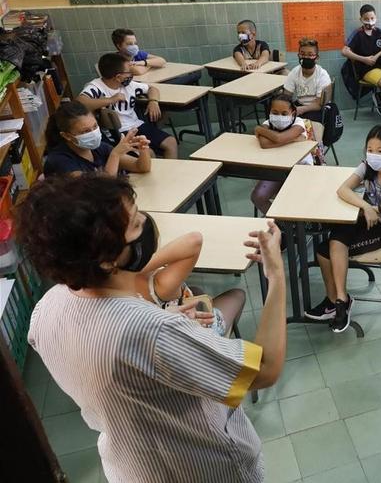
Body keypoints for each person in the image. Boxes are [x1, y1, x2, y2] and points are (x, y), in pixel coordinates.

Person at [18, 175, 288, 482]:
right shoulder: (153, 331)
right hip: (201, 469)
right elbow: (265, 369)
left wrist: (166, 323)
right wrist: (276, 275)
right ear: (107, 260)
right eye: (134, 223)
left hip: (131, 466)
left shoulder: (45, 311)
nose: (146, 222)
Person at [305, 126, 381, 333]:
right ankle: (337, 300)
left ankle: (340, 302)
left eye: (380, 151)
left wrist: (379, 208)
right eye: (370, 149)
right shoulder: (367, 166)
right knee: (324, 250)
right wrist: (366, 206)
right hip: (364, 220)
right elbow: (343, 189)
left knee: (332, 246)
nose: (373, 155)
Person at [134, 228, 246, 339]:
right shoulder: (159, 283)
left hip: (159, 333)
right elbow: (194, 240)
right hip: (193, 336)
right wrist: (136, 269)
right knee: (238, 295)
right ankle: (221, 342)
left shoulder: (119, 286)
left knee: (196, 290)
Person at [78, 53, 178, 159]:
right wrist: (111, 100)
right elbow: (80, 102)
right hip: (118, 132)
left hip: (136, 125)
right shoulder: (96, 86)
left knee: (171, 142)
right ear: (118, 77)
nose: (131, 74)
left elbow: (152, 89)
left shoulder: (129, 85)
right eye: (128, 71)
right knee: (148, 153)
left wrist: (153, 101)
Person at [252, 92, 323, 215]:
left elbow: (278, 139)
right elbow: (264, 144)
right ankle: (283, 225)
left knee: (293, 200)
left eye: (284, 113)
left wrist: (260, 130)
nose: (279, 116)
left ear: (293, 113)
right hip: (277, 169)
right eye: (275, 113)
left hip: (301, 169)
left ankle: (294, 224)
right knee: (258, 197)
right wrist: (292, 138)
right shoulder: (267, 123)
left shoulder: (299, 123)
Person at [42, 101, 151, 177]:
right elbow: (100, 191)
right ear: (67, 136)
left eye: (95, 126)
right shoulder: (60, 161)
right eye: (85, 131)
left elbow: (140, 167)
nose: (93, 133)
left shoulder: (99, 148)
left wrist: (143, 148)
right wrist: (115, 154)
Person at [342, 4, 381, 104]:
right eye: (366, 18)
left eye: (372, 18)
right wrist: (364, 59)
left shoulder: (378, 31)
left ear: (375, 18)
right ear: (361, 19)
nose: (370, 21)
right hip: (366, 69)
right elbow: (344, 51)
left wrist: (378, 54)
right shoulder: (358, 33)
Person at [283, 37, 333, 123]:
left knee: (303, 126)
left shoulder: (322, 75)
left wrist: (301, 110)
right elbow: (286, 96)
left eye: (310, 55)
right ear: (298, 55)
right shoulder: (294, 72)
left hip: (317, 109)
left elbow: (319, 104)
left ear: (316, 58)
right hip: (300, 105)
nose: (306, 57)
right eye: (302, 54)